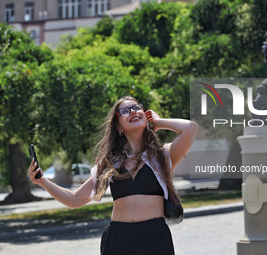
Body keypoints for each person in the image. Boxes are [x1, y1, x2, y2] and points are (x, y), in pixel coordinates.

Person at [27, 95, 199, 255]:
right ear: (119, 127)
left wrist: (158, 122)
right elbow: (75, 199)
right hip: (118, 240)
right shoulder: (111, 163)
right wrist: (42, 181)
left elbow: (191, 128)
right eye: (125, 111)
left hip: (154, 237)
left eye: (137, 108)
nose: (133, 111)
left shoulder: (163, 155)